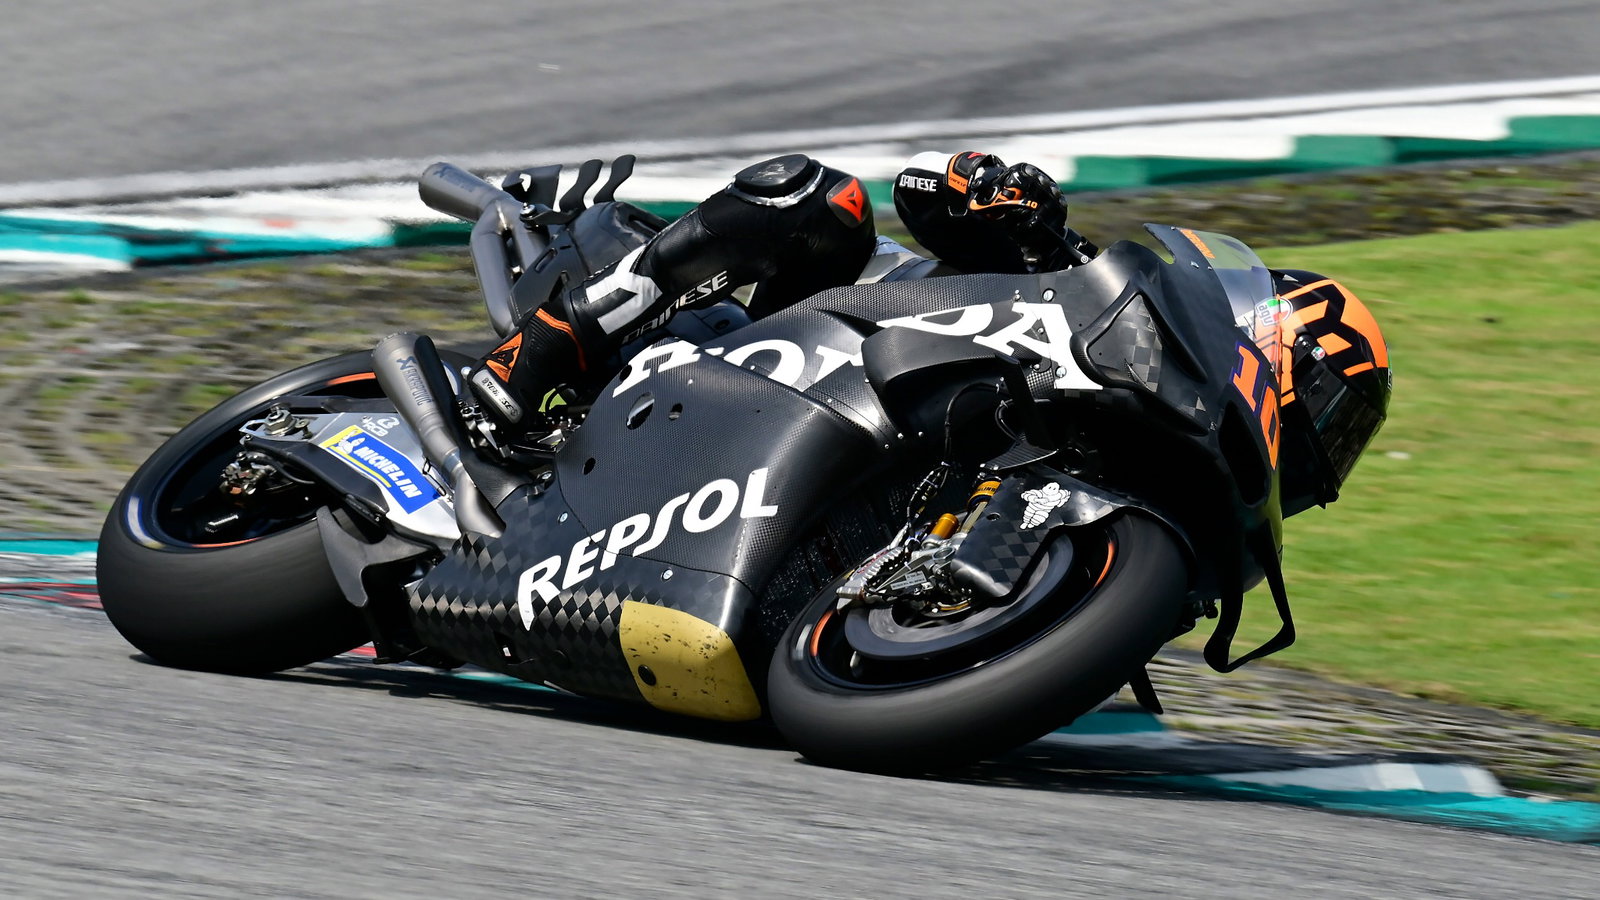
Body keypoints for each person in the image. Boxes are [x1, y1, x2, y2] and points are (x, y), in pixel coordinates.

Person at [465, 150, 1390, 518]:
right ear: (1255, 335)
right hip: (793, 337)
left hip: (796, 480)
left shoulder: (1170, 532)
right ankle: (536, 353)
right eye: (1322, 408)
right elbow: (920, 190)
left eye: (1336, 442)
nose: (1317, 446)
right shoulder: (1084, 293)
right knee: (819, 197)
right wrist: (988, 191)